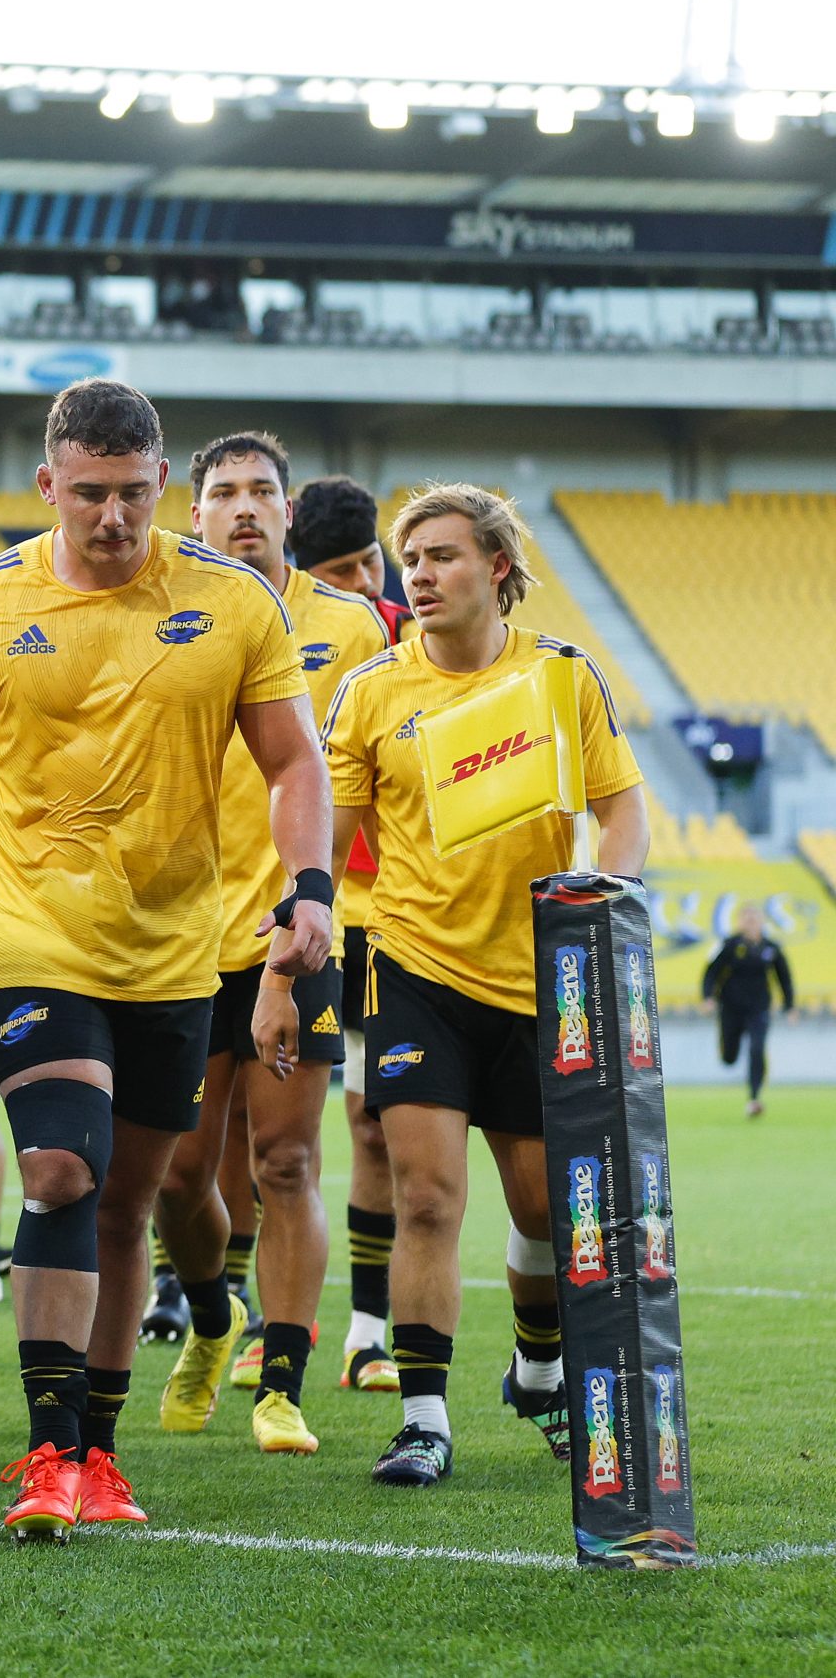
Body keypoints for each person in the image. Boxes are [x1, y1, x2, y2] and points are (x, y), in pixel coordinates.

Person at [0, 378, 331, 1542]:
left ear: (161, 483)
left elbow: (292, 763)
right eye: (89, 494)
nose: (113, 517)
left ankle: (101, 1455)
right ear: (47, 486)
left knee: (129, 1204)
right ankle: (47, 1449)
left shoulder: (231, 604)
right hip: (32, 940)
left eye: (133, 493)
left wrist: (308, 892)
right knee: (61, 1177)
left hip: (177, 952)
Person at [322, 482, 648, 1488]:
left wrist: (610, 894)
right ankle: (423, 1420)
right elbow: (326, 848)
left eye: (441, 556)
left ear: (496, 569)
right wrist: (291, 927)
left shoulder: (559, 676)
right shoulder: (372, 691)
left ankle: (538, 1368)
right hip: (413, 966)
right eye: (407, 558)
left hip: (541, 980)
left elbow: (620, 806)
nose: (417, 574)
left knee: (547, 1211)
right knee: (426, 1196)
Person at [147, 434, 387, 1456]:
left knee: (286, 1159)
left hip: (301, 925)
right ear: (192, 514)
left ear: (291, 511)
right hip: (173, 935)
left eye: (260, 492)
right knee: (174, 1172)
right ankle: (213, 1318)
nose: (243, 507)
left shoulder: (355, 629)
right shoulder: (161, 613)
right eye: (222, 494)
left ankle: (279, 1386)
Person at [293, 474, 414, 1393]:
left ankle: (370, 1330)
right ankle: (259, 1315)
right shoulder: (294, 648)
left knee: (379, 1124)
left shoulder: (410, 640)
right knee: (299, 1135)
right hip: (322, 912)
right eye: (339, 572)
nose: (364, 582)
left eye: (370, 564)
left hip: (402, 917)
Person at [703, 905, 794, 1118]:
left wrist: (789, 1006)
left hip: (759, 1007)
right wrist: (707, 997)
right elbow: (711, 972)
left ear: (762, 922)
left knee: (756, 1048)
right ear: (739, 922)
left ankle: (754, 1097)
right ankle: (727, 1052)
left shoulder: (771, 948)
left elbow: (784, 978)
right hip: (731, 1008)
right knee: (729, 1057)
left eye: (755, 918)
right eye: (747, 918)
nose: (751, 922)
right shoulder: (728, 945)